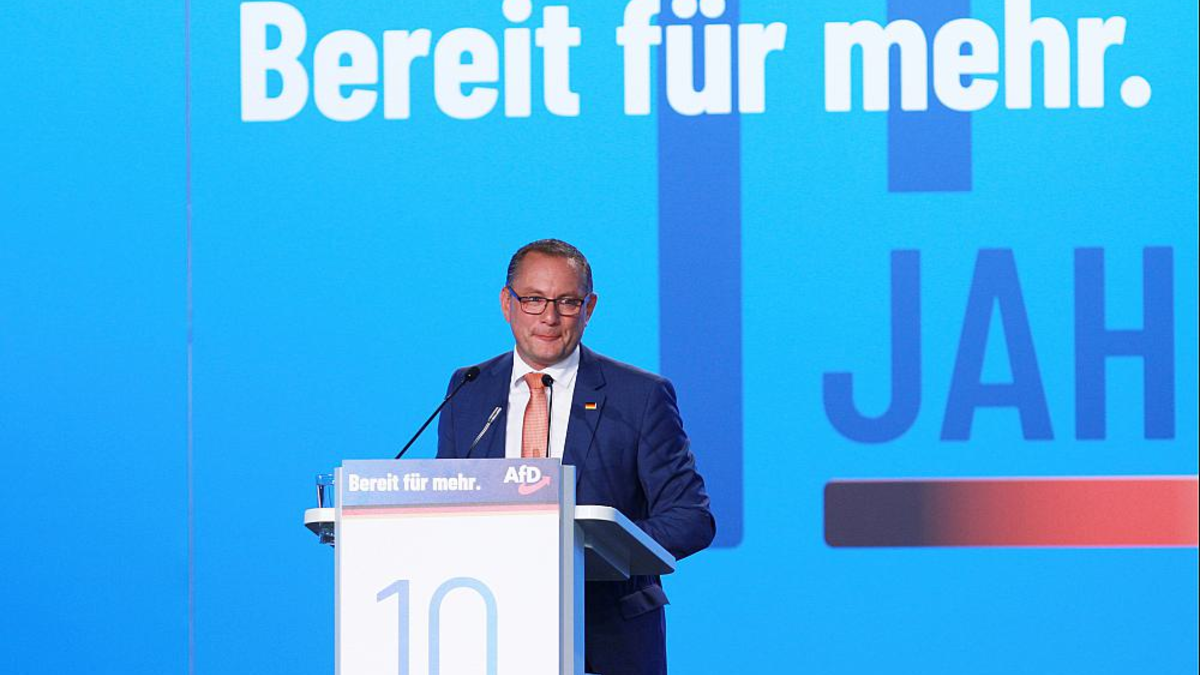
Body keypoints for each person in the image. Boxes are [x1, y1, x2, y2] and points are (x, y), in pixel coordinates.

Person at [437, 239, 716, 675]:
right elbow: (443, 507)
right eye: (533, 300)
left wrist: (588, 549)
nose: (549, 317)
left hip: (606, 635)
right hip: (488, 632)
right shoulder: (468, 388)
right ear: (507, 304)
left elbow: (690, 518)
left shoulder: (640, 396)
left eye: (567, 302)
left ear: (589, 308)